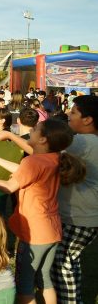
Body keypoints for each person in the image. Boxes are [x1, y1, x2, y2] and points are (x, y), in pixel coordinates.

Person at [0, 119, 86, 304]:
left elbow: (10, 186)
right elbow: (23, 172)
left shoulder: (33, 161)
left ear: (42, 140)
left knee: (25, 286)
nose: (30, 131)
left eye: (35, 129)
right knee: (45, 280)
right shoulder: (54, 157)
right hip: (52, 231)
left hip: (34, 233)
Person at [52, 95, 98, 303]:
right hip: (88, 215)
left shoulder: (82, 141)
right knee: (70, 261)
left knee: (63, 265)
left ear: (87, 119)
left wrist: (13, 136)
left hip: (79, 216)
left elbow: (46, 156)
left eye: (74, 112)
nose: (69, 116)